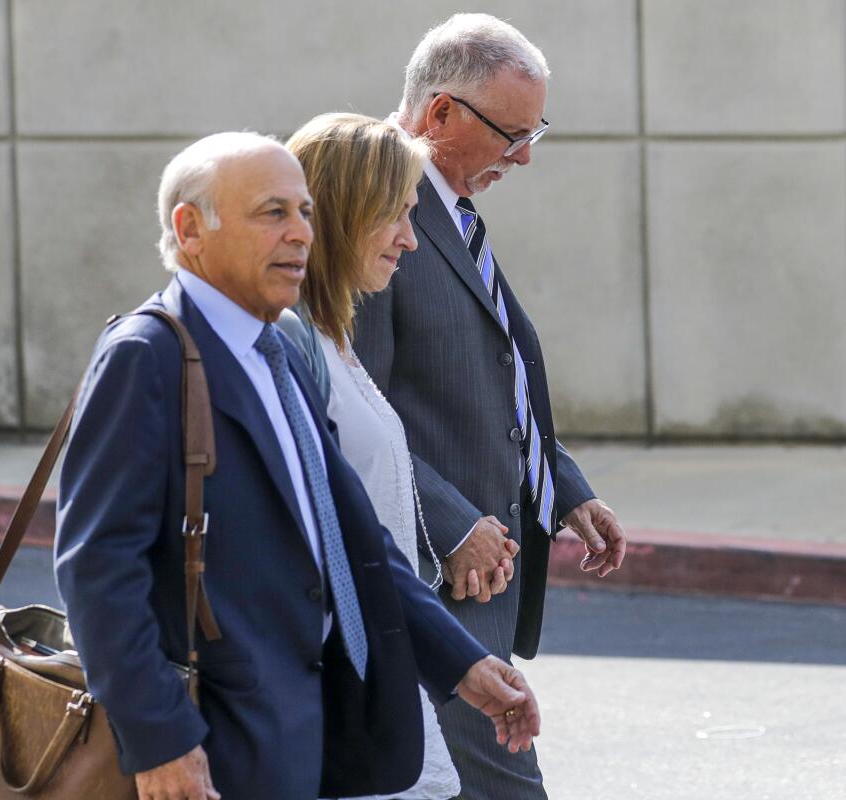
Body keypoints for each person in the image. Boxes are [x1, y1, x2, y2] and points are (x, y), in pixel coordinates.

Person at [54, 131, 542, 800]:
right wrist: (161, 739)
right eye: (272, 214)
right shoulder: (148, 355)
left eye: (305, 212)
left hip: (307, 738)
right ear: (189, 229)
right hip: (214, 748)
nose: (300, 235)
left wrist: (461, 664)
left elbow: (356, 542)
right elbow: (99, 569)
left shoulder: (277, 353)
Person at [352, 14, 629, 799]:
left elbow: (491, 365)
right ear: (440, 114)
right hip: (439, 575)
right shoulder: (377, 206)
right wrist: (451, 525)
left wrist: (563, 487)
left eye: (534, 129)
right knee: (502, 784)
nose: (526, 155)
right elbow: (350, 405)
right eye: (512, 132)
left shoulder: (449, 206)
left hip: (482, 566)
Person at [278, 112, 517, 800]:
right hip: (332, 698)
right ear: (349, 213)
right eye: (397, 216)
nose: (412, 240)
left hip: (380, 679)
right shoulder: (291, 345)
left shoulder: (334, 337)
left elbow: (367, 537)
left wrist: (457, 661)